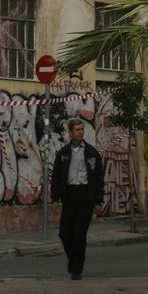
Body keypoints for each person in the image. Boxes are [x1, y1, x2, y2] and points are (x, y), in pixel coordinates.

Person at [50, 117, 104, 279]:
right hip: (69, 196)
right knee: (65, 233)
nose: (80, 132)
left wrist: (98, 201)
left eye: (82, 129)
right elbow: (56, 177)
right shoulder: (63, 154)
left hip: (85, 196)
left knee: (79, 234)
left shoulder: (91, 152)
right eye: (77, 130)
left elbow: (99, 178)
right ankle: (73, 259)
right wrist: (55, 198)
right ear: (70, 133)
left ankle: (76, 269)